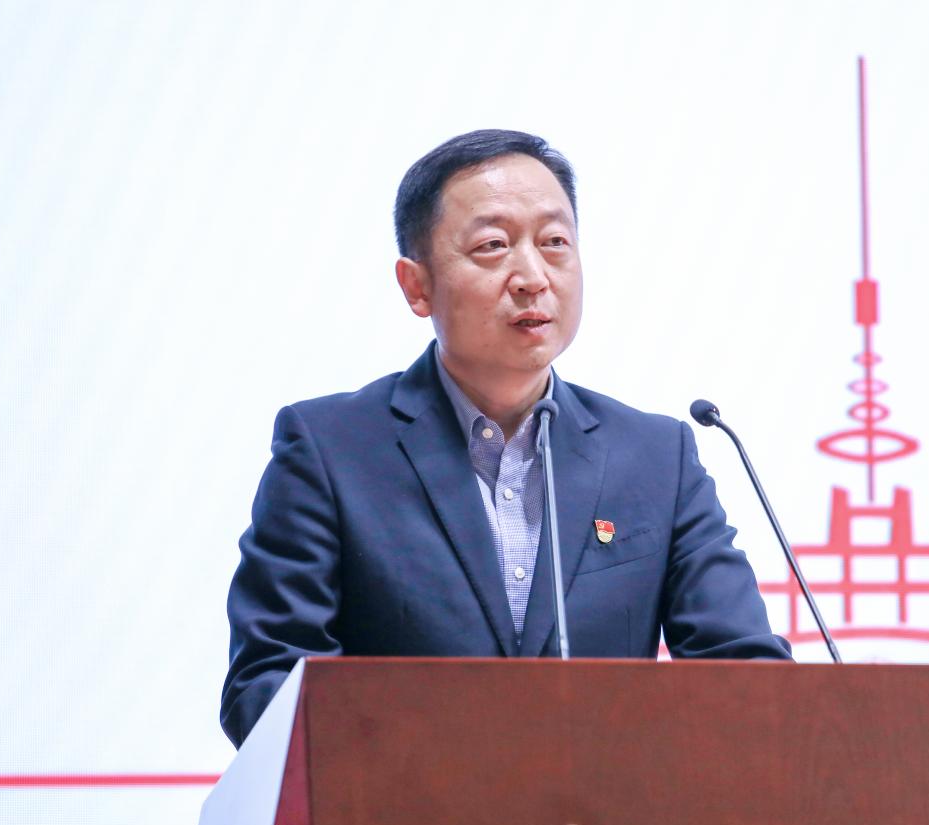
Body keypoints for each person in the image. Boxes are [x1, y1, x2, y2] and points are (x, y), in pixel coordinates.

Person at [220, 129, 791, 748]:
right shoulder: (330, 451)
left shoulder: (657, 457)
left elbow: (747, 677)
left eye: (554, 243)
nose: (532, 277)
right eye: (493, 246)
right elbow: (268, 684)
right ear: (416, 286)